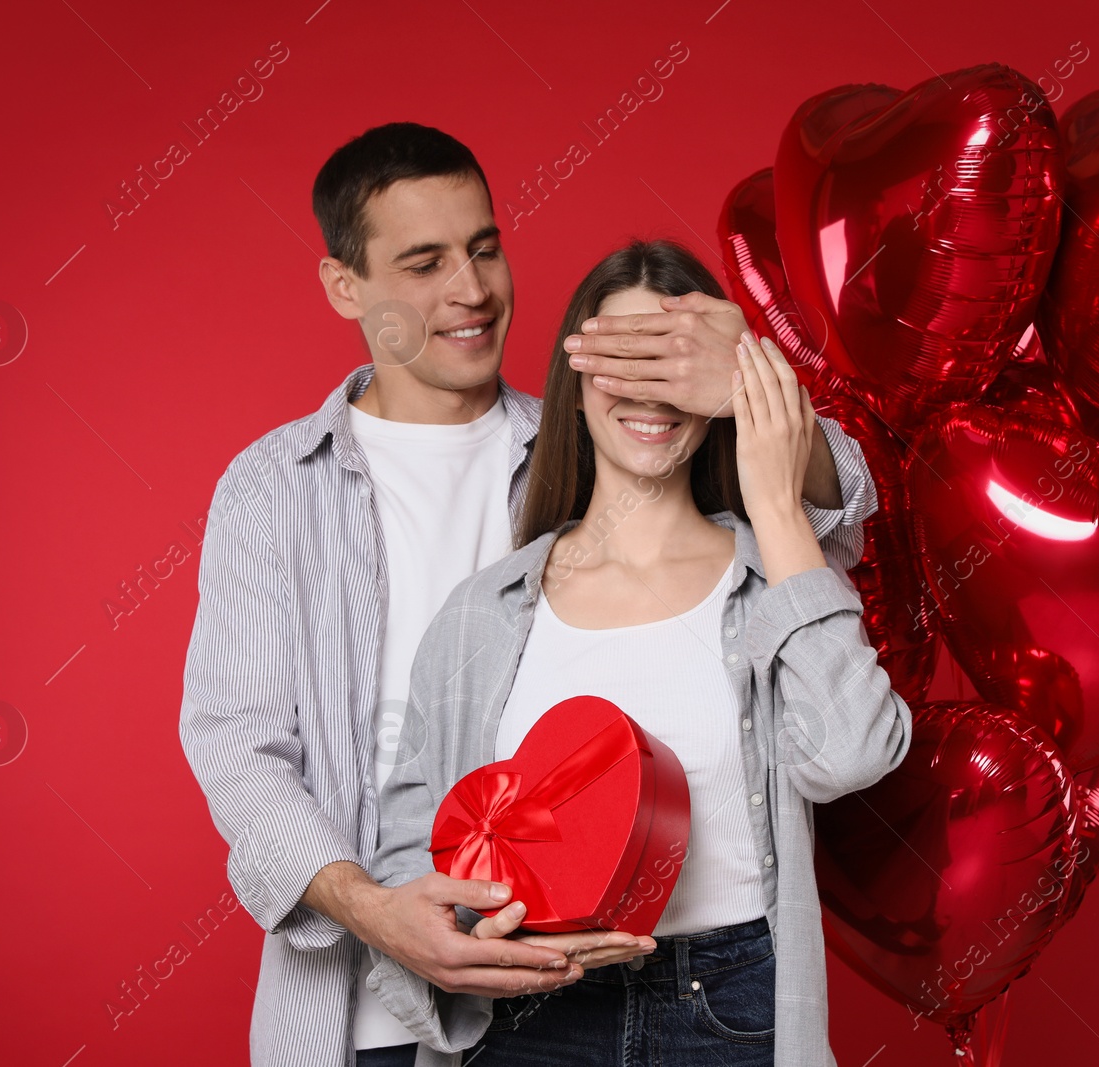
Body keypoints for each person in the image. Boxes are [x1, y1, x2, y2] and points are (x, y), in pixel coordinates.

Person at [178, 123, 883, 1067]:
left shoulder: (598, 432)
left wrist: (747, 384)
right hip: (359, 999)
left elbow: (838, 498)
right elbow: (238, 748)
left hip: (587, 980)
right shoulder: (273, 489)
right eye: (424, 263)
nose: (470, 291)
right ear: (345, 285)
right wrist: (379, 911)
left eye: (484, 248)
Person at [367, 240, 912, 1067]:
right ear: (575, 381)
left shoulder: (778, 577)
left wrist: (776, 501)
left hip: (733, 1012)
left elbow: (853, 754)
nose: (651, 390)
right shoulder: (482, 613)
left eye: (674, 362)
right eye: (624, 358)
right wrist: (467, 935)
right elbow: (416, 850)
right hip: (528, 1019)